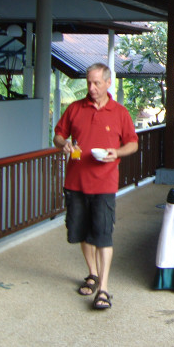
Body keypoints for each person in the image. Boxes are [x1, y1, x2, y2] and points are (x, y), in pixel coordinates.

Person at [53, 63, 139, 310]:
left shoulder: (120, 112)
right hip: (76, 182)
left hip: (104, 183)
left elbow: (132, 143)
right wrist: (64, 144)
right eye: (89, 82)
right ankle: (92, 273)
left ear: (108, 83)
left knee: (103, 235)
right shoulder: (74, 108)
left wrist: (117, 152)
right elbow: (58, 135)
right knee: (82, 232)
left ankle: (104, 288)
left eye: (96, 83)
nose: (91, 88)